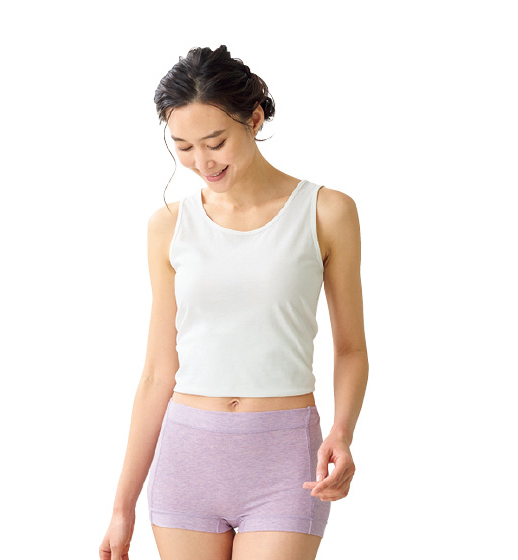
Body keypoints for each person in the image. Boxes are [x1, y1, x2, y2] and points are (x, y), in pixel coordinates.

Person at [99, 45, 369, 560]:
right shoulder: (168, 227)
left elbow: (351, 348)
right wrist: (121, 506)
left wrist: (342, 430)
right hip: (187, 461)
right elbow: (157, 373)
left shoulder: (326, 211)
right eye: (183, 147)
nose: (202, 162)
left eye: (216, 142)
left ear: (255, 118)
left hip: (285, 462)